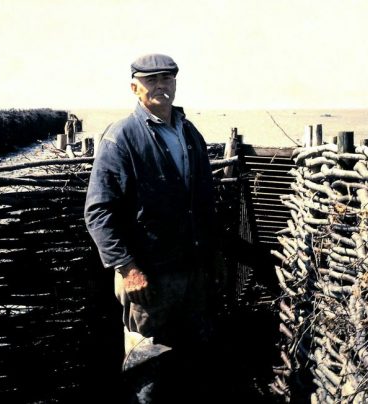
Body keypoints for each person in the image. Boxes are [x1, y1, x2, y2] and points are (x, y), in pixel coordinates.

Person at [84, 54, 221, 403]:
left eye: (168, 78)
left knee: (193, 363)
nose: (162, 85)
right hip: (148, 280)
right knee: (146, 370)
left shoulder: (190, 133)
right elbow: (98, 212)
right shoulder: (122, 137)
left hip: (192, 275)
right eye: (152, 80)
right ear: (135, 88)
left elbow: (204, 204)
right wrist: (128, 268)